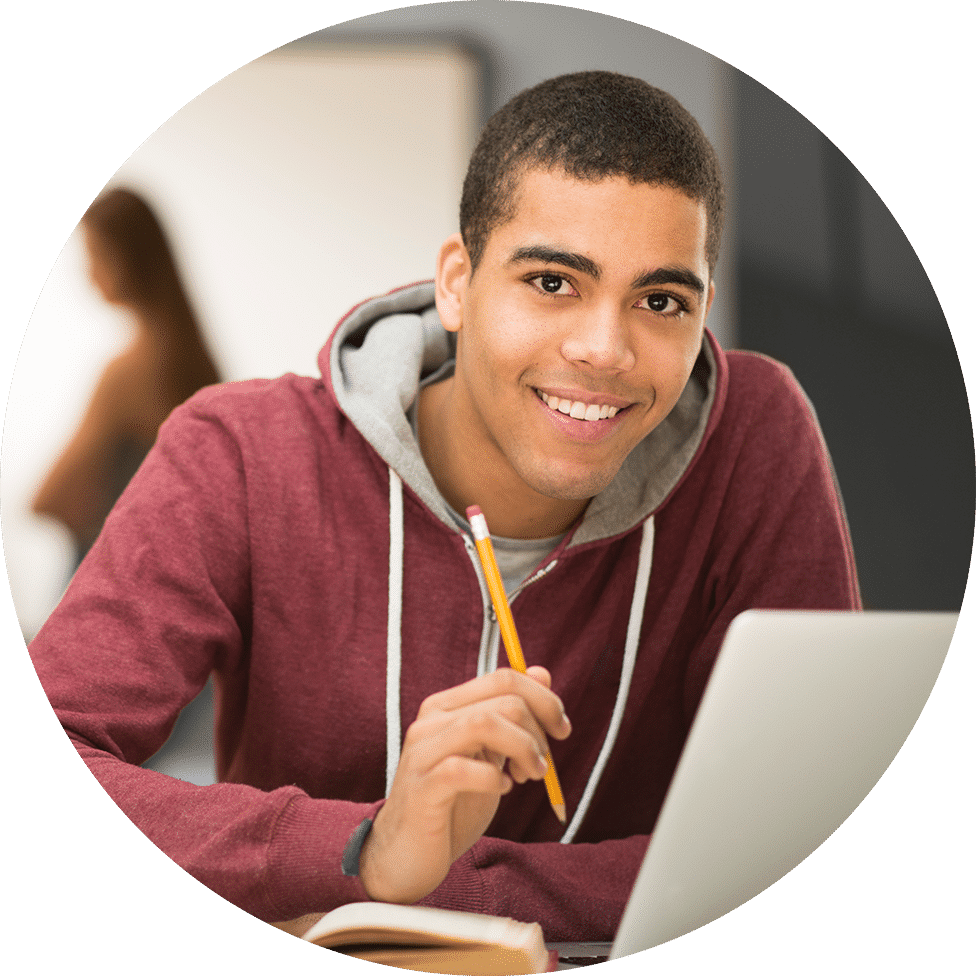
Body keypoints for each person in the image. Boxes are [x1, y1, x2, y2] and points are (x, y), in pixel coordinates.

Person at [28, 72, 859, 941]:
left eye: (660, 301)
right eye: (551, 282)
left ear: (701, 314)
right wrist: (366, 847)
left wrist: (414, 887)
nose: (605, 349)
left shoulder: (755, 433)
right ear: (457, 283)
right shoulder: (241, 451)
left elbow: (805, 841)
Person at [32, 188, 221, 569]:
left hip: (107, 573)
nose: (88, 271)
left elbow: (47, 498)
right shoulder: (199, 366)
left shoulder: (131, 369)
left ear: (130, 259)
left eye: (96, 255)